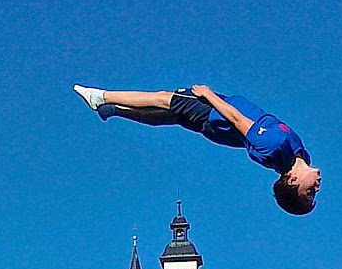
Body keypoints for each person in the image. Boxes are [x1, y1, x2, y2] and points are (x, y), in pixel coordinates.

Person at [73, 83, 321, 215]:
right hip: (218, 117)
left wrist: (209, 95)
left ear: (293, 180)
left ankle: (102, 97)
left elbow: (237, 120)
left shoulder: (274, 146)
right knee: (168, 116)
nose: (316, 189)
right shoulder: (299, 155)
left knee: (163, 99)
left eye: (308, 193)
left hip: (216, 113)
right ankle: (112, 111)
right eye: (312, 194)